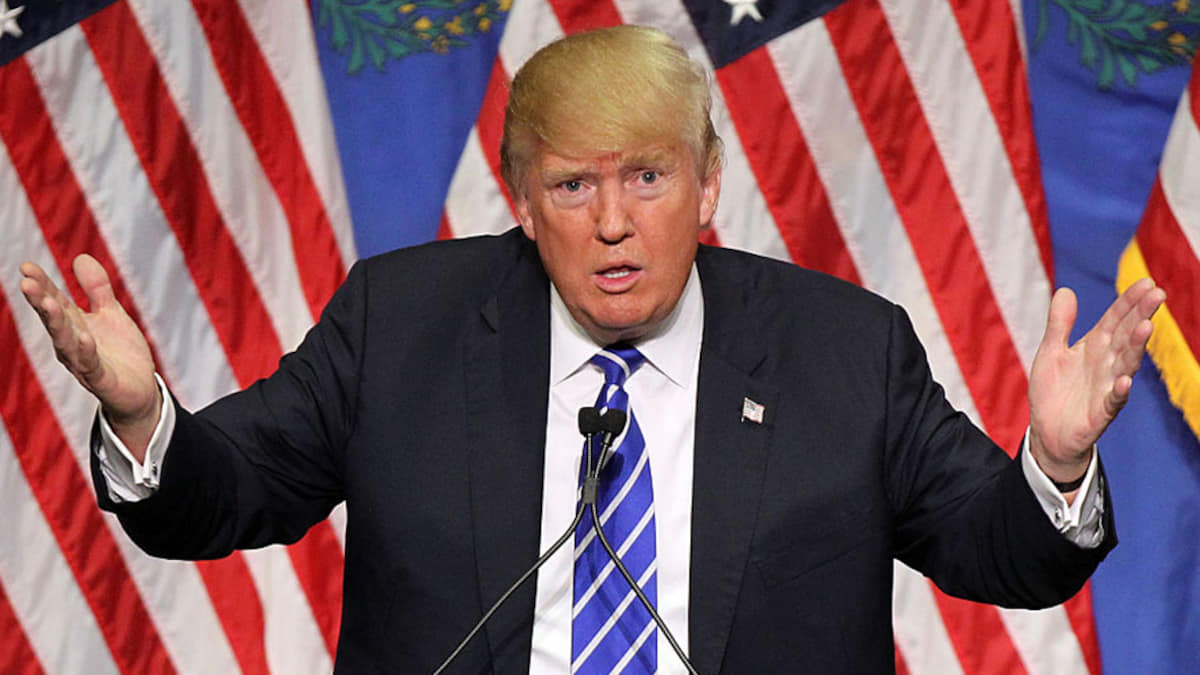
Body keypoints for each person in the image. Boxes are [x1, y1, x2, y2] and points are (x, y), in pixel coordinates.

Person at [19, 25, 1164, 674]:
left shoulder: (843, 351)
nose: (613, 222)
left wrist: (1054, 467)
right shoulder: (400, 325)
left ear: (708, 183)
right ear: (522, 200)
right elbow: (225, 499)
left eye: (647, 178)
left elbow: (1002, 553)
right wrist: (141, 414)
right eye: (573, 185)